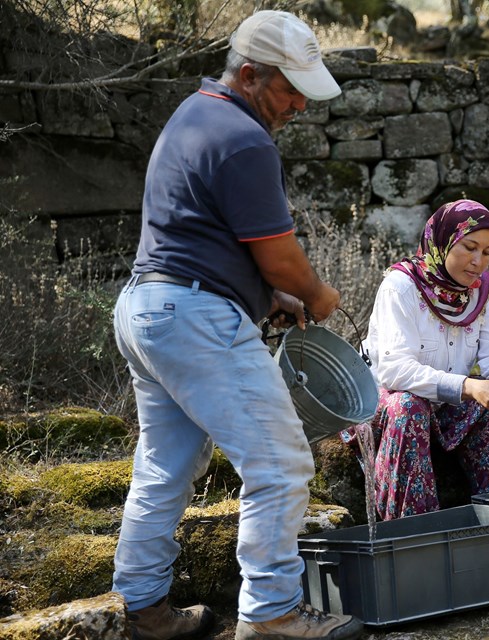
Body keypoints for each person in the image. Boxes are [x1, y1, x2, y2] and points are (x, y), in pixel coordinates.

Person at [112, 10, 363, 640]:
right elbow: (280, 254)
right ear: (249, 74)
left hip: (149, 307)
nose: (300, 106)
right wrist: (314, 292)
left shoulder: (195, 112)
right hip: (194, 317)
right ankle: (273, 614)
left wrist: (261, 293)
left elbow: (200, 234)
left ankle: (144, 608)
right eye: (289, 90)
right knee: (280, 462)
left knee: (164, 467)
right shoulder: (246, 138)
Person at [343, 199, 489, 520]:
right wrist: (470, 387)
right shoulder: (401, 286)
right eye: (469, 247)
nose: (478, 261)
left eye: (487, 252)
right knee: (409, 406)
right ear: (444, 240)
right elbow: (394, 371)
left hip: (443, 404)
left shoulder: (484, 291)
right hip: (383, 403)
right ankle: (412, 530)